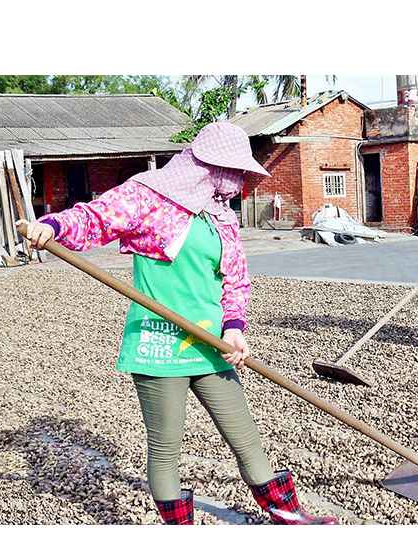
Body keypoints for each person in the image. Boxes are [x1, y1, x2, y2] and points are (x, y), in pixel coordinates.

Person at [21, 122, 337, 525]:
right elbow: (97, 217)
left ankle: (287, 514)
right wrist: (52, 227)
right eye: (235, 171)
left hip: (210, 344)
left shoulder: (221, 215)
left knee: (244, 435)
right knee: (166, 447)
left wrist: (234, 328)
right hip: (159, 344)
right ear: (209, 165)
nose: (239, 181)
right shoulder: (150, 198)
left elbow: (235, 278)